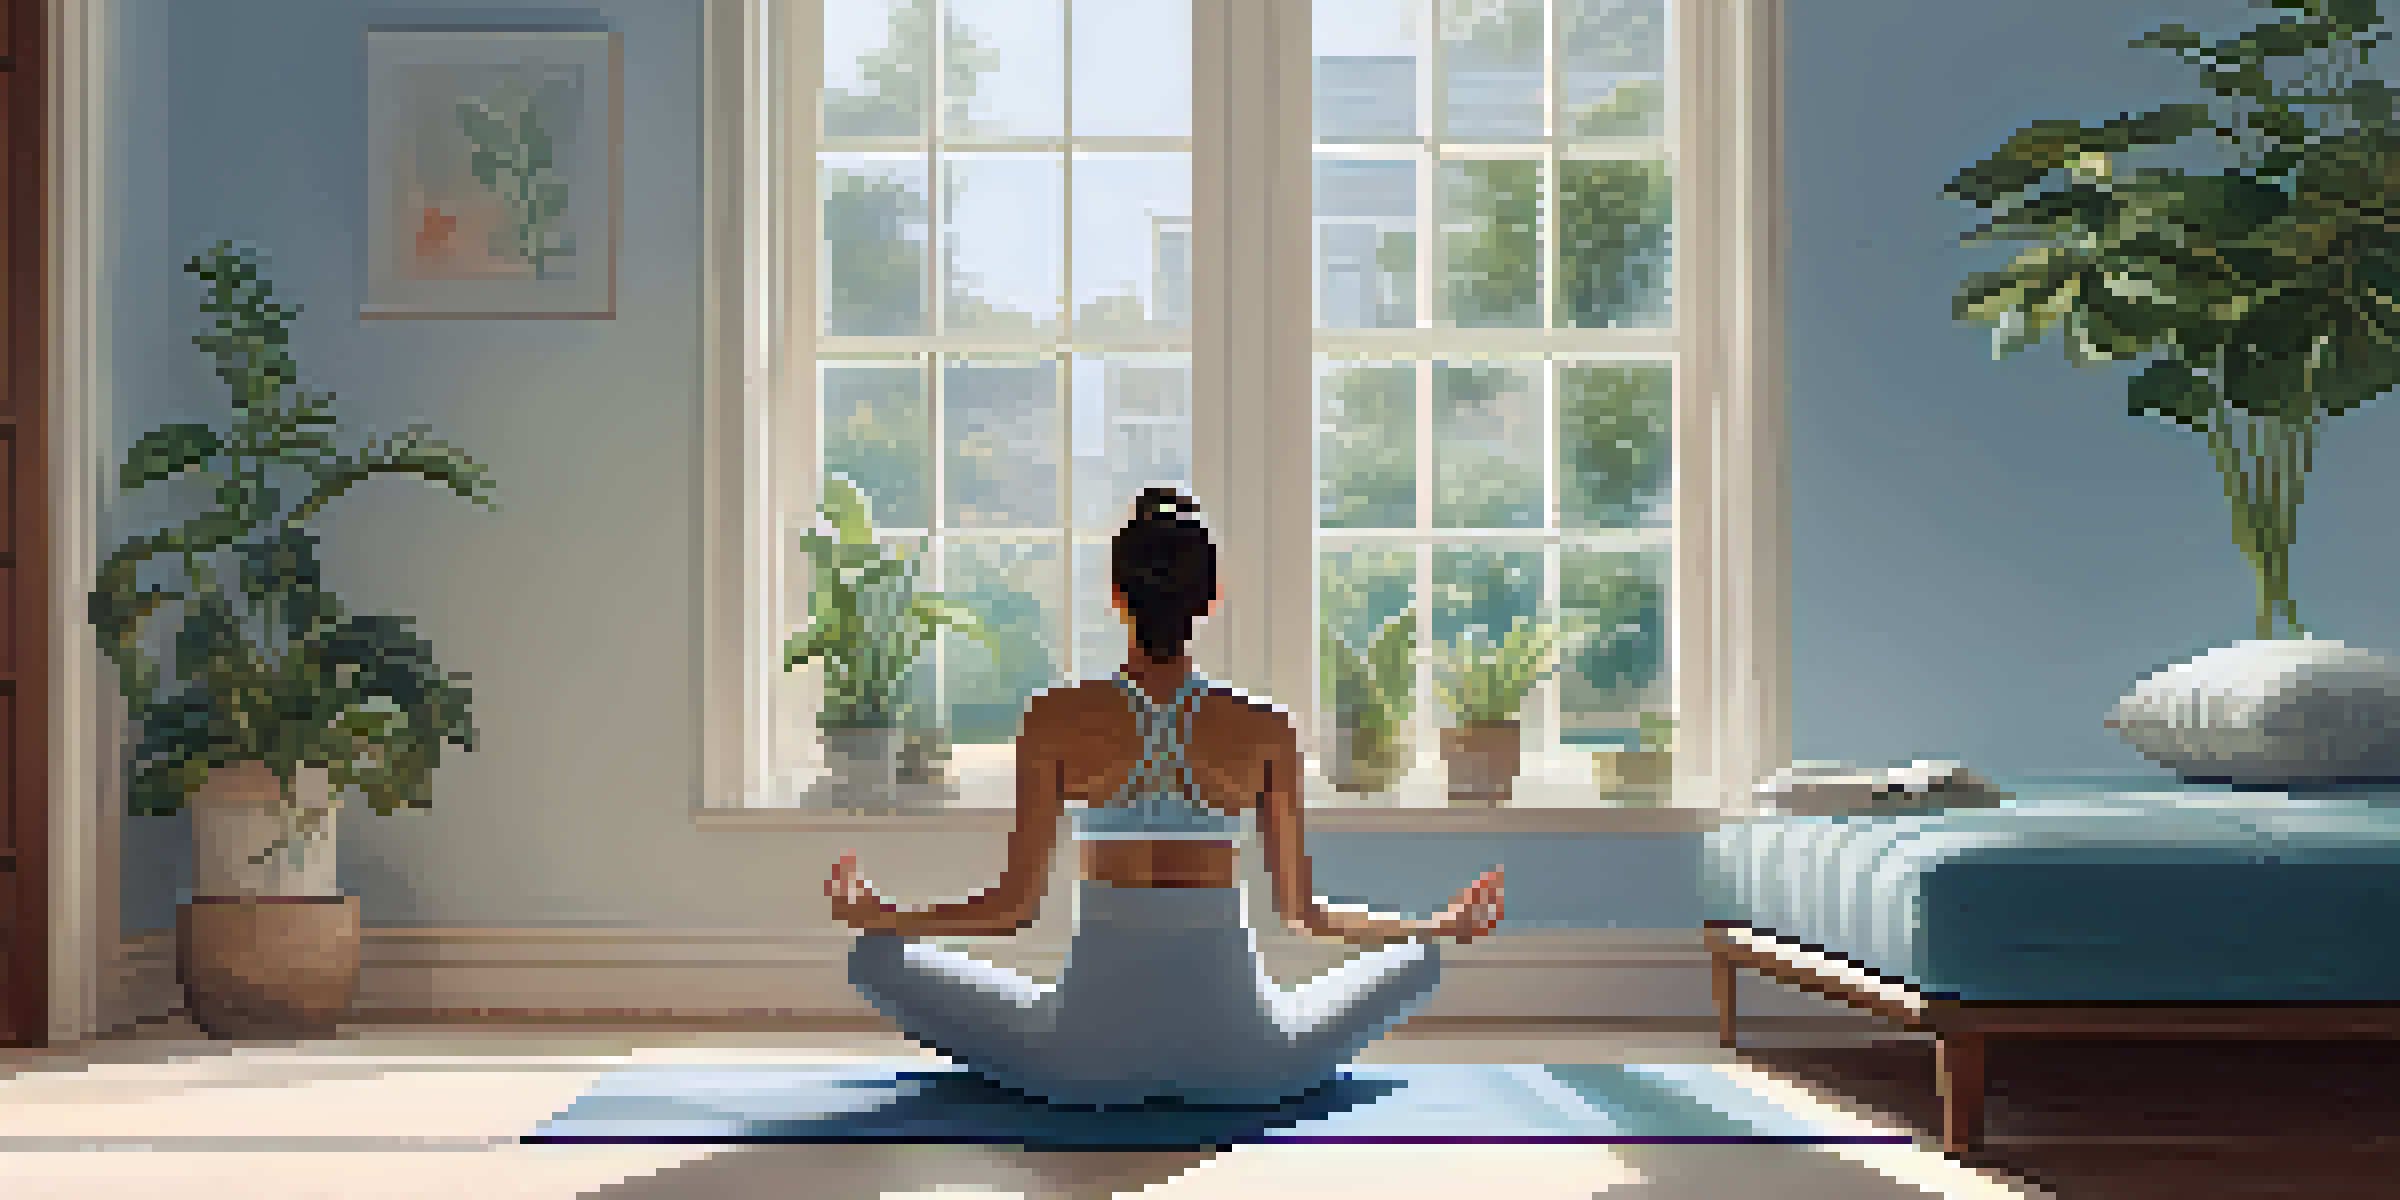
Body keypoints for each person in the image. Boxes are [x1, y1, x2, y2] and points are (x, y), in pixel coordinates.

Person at [826, 486, 1506, 1108]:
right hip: (1245, 1066)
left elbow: (1013, 909)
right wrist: (1437, 926)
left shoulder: (1054, 717)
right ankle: (1433, 940)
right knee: (1419, 960)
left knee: (873, 956)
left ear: (1117, 596)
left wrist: (885, 913)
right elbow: (1305, 915)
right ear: (1207, 602)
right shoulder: (1266, 728)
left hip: (1083, 1062)